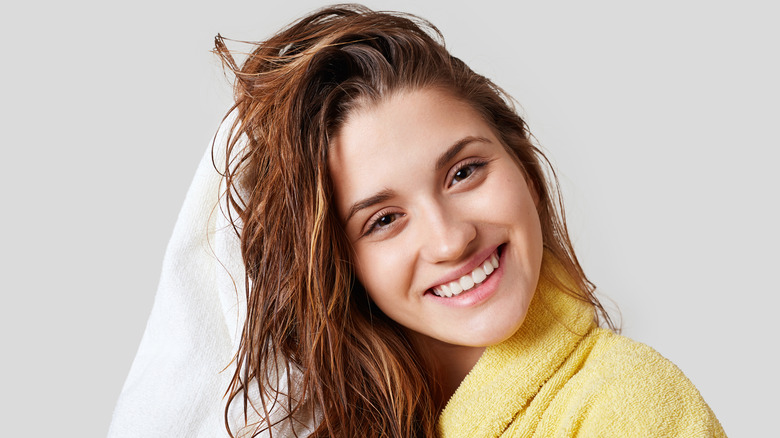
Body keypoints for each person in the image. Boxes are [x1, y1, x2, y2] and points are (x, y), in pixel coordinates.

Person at [111, 4, 725, 437]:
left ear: (521, 163)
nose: (451, 238)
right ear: (341, 265)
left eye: (464, 172)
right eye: (383, 220)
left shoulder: (627, 408)